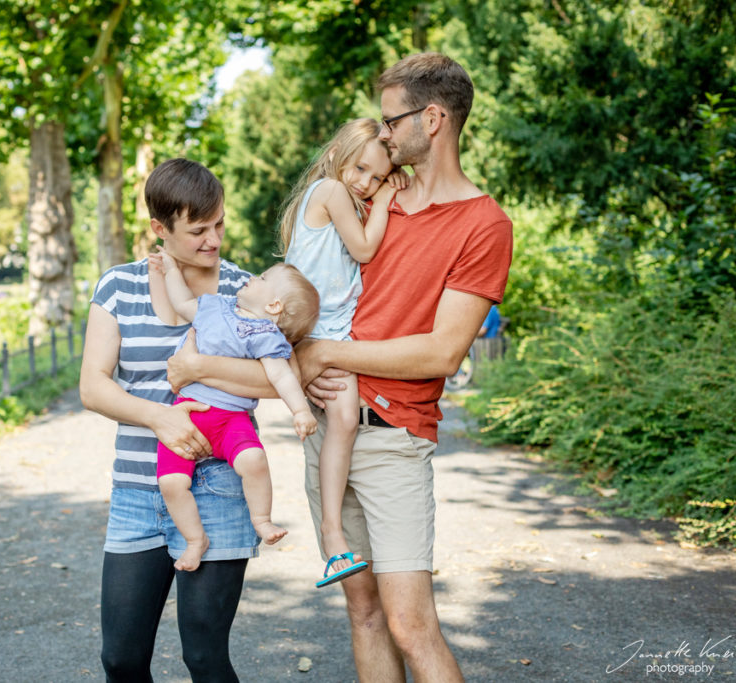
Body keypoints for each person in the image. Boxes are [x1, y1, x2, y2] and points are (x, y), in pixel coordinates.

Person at [295, 53, 514, 682]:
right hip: (332, 427)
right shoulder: (373, 197)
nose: (383, 132)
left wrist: (325, 355)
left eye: (393, 119)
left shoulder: (483, 225)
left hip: (395, 439)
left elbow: (442, 352)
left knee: (411, 626)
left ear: (434, 118)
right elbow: (321, 285)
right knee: (362, 614)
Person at [80, 158, 278, 682]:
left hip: (219, 484)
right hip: (139, 488)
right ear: (159, 229)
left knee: (205, 658)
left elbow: (276, 378)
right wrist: (161, 420)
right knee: (120, 660)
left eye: (219, 225)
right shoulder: (118, 286)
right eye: (197, 230)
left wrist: (200, 367)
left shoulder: (244, 289)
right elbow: (93, 385)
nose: (213, 241)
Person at [279, 118, 405, 587]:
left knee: (344, 422)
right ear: (336, 154)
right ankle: (334, 536)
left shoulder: (342, 195)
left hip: (329, 330)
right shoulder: (331, 191)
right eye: (361, 169)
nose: (367, 183)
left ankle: (333, 538)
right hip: (317, 330)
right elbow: (366, 248)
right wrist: (388, 199)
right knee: (345, 422)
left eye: (377, 177)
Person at [149, 246, 319, 571]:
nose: (255, 276)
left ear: (273, 305)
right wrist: (170, 268)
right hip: (188, 414)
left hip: (231, 421)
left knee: (254, 459)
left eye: (264, 278)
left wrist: (300, 411)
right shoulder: (215, 306)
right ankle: (195, 540)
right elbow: (183, 302)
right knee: (171, 483)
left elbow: (282, 376)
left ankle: (262, 519)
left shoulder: (265, 335)